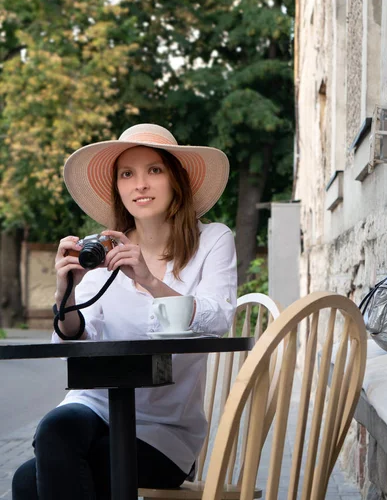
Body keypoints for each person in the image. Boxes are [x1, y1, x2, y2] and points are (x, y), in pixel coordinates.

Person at [12, 123, 237, 500]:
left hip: (164, 429)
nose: (140, 185)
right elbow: (74, 334)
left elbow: (217, 317)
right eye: (127, 174)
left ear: (176, 180)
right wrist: (65, 289)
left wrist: (149, 280)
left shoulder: (212, 240)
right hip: (96, 404)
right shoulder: (104, 248)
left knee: (32, 480)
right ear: (117, 187)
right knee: (54, 432)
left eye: (154, 170)